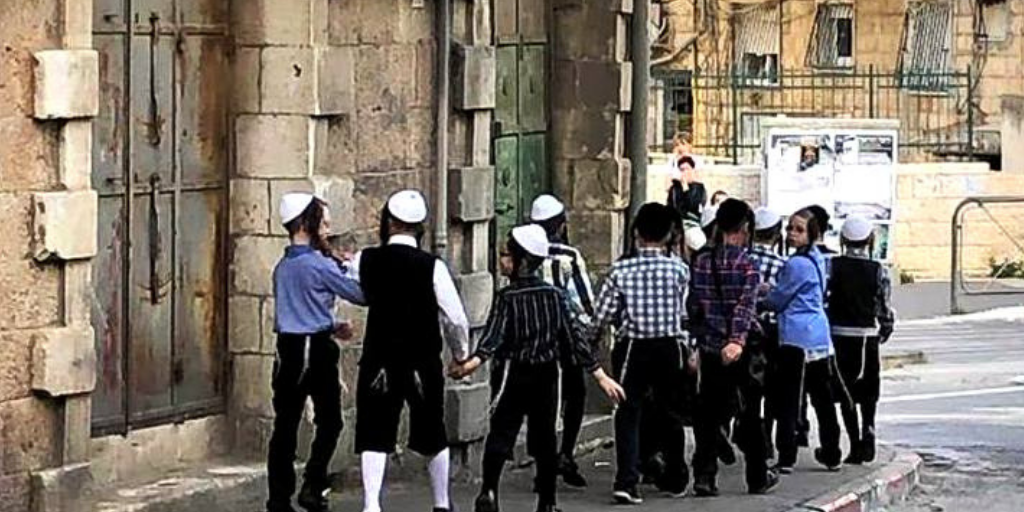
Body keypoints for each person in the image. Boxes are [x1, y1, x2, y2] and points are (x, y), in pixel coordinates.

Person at [452, 225, 625, 512]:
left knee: (502, 432)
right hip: (547, 375)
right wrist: (600, 375)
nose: (501, 260)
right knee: (545, 438)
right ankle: (547, 502)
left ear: (521, 261)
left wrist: (469, 365)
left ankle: (488, 492)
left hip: (514, 372)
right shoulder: (555, 296)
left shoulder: (507, 297)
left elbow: (492, 340)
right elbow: (574, 339)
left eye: (506, 255)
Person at [347, 190, 471, 512]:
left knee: (374, 431)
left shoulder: (366, 260)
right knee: (433, 431)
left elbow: (355, 290)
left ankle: (371, 504)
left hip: (379, 360)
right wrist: (461, 354)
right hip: (421, 361)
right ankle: (441, 503)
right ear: (420, 227)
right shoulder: (433, 267)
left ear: (389, 221)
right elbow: (455, 318)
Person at [267, 193, 366, 512]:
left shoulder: (283, 267)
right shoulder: (319, 265)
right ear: (305, 223)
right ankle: (313, 482)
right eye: (322, 221)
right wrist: (352, 267)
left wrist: (332, 324)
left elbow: (297, 309)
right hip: (315, 349)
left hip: (287, 348)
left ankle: (278, 499)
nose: (327, 227)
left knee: (285, 425)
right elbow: (360, 294)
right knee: (331, 420)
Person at [589, 203, 692, 505]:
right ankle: (676, 474)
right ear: (669, 235)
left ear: (636, 233)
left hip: (633, 347)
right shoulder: (679, 269)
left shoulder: (620, 270)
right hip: (670, 345)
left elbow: (602, 315)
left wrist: (591, 339)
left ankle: (627, 481)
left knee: (628, 411)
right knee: (670, 410)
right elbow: (685, 313)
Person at [688, 199, 779, 497]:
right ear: (745, 228)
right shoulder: (747, 265)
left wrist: (698, 342)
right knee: (750, 413)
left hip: (710, 347)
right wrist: (737, 340)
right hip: (743, 349)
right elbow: (744, 307)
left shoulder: (701, 261)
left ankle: (704, 475)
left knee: (708, 413)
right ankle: (757, 476)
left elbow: (694, 306)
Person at [767, 208, 843, 473]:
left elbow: (778, 299)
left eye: (799, 230)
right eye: (790, 228)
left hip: (796, 336)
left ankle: (786, 455)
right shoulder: (818, 259)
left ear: (811, 233)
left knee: (789, 398)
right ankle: (832, 452)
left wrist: (764, 296)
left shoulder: (795, 264)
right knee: (823, 398)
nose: (792, 234)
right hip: (819, 336)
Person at [528, 195, 597, 487]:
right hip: (564, 338)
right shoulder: (569, 256)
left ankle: (541, 462)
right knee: (575, 393)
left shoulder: (524, 252)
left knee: (538, 402)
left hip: (532, 340)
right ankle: (565, 451)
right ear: (560, 226)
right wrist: (589, 330)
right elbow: (583, 301)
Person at [830, 216, 896, 465]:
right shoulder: (879, 270)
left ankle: (854, 441)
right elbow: (883, 306)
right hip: (867, 336)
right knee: (868, 390)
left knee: (844, 391)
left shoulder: (831, 266)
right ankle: (869, 428)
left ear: (842, 240)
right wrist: (885, 328)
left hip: (839, 336)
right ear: (870, 240)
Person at [748, 207, 787, 459]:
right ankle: (767, 436)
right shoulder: (783, 265)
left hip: (746, 329)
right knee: (772, 387)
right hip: (772, 330)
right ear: (776, 235)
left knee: (749, 387)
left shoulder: (743, 259)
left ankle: (748, 429)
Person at [667, 156, 708, 222]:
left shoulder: (699, 188)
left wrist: (685, 188)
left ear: (692, 170)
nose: (685, 172)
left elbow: (692, 206)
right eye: (682, 170)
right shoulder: (674, 189)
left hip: (693, 222)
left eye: (687, 169)